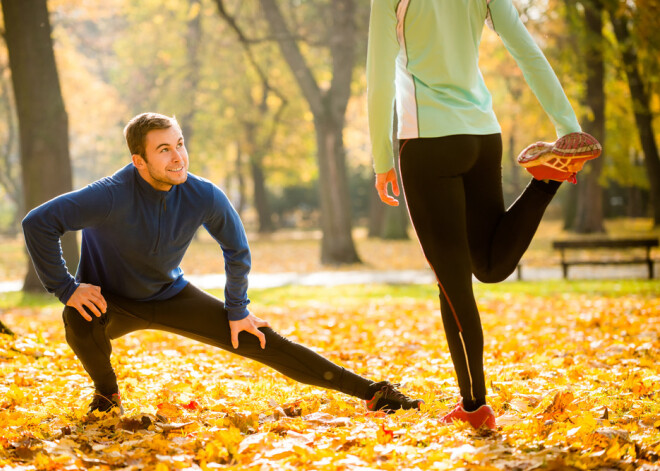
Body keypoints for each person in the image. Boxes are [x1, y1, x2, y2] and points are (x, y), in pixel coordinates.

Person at [22, 112, 422, 415]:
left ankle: (373, 392)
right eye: (164, 149)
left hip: (171, 294)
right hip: (112, 302)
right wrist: (67, 287)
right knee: (78, 318)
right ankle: (107, 394)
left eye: (179, 144)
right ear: (138, 161)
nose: (178, 157)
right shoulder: (108, 195)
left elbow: (237, 250)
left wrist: (237, 310)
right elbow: (39, 223)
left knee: (261, 339)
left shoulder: (203, 194)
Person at [366, 0, 600, 430]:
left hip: (427, 142)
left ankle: (475, 406)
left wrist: (381, 158)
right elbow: (527, 51)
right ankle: (545, 180)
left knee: (452, 283)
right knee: (489, 265)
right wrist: (566, 126)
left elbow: (379, 78)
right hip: (482, 135)